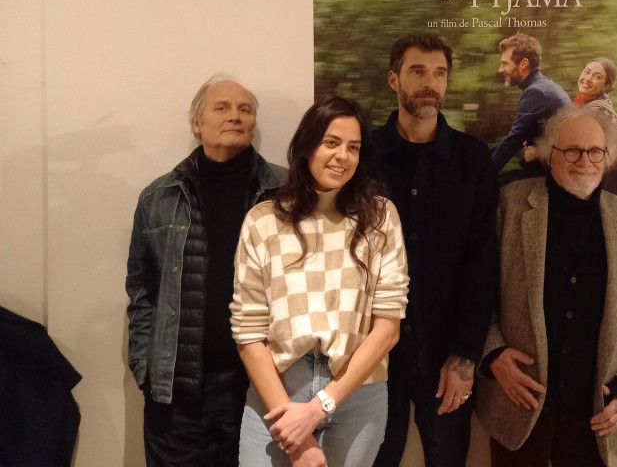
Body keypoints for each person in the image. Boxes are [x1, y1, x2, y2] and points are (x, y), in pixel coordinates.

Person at [476, 105, 617, 467]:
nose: (584, 161)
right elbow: (474, 293)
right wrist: (493, 354)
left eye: (595, 151)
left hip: (600, 418)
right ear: (550, 155)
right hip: (519, 408)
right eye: (571, 150)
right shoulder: (508, 206)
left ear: (607, 158)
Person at [231, 96, 409, 467]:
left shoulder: (380, 217)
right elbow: (248, 332)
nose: (342, 156)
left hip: (356, 393)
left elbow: (388, 328)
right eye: (331, 142)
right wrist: (295, 431)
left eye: (353, 147)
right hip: (278, 391)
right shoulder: (263, 222)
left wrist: (319, 407)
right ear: (307, 146)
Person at [126, 75, 286, 466]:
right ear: (196, 124)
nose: (235, 116)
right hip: (178, 395)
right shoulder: (159, 197)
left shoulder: (287, 192)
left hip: (263, 388)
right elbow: (141, 290)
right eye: (222, 107)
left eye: (245, 109)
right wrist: (146, 368)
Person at [371, 33, 499, 467]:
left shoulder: (473, 159)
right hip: (371, 353)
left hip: (447, 352)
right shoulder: (364, 156)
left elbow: (482, 263)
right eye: (418, 71)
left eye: (440, 73)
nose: (430, 82)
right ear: (394, 79)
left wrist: (465, 354)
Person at [492, 31, 571, 173]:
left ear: (523, 64)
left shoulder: (536, 92)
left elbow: (513, 141)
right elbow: (514, 139)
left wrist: (481, 176)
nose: (500, 69)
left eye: (504, 63)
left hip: (552, 173)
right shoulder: (543, 86)